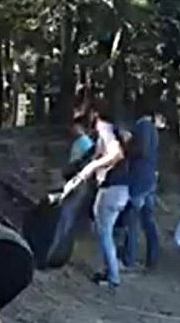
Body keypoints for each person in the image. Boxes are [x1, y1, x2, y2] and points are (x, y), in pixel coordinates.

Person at [64, 97, 129, 291]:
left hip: (111, 188)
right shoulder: (114, 130)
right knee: (107, 231)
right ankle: (110, 269)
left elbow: (115, 154)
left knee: (104, 233)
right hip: (122, 188)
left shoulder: (104, 128)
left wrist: (92, 167)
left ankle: (112, 275)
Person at [122, 93, 160, 269]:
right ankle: (153, 257)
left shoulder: (142, 127)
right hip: (150, 175)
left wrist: (127, 145)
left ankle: (129, 258)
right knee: (148, 220)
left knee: (132, 220)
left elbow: (141, 150)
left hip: (139, 177)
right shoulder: (153, 128)